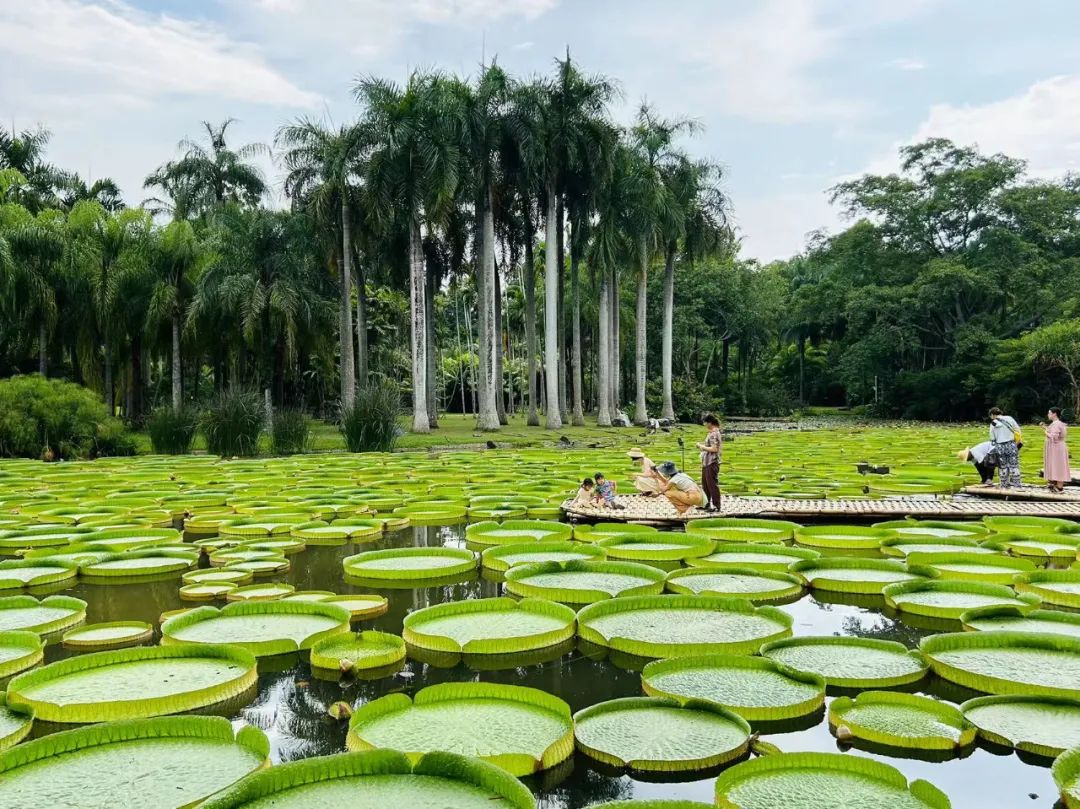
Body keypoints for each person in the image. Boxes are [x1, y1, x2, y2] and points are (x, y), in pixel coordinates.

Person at [989, 406, 1022, 488]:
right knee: (1014, 465)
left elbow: (992, 438)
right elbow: (1018, 430)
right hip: (1011, 444)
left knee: (1002, 466)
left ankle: (1004, 485)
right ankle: (1017, 484)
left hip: (1000, 446)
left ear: (993, 415)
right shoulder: (1010, 418)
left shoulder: (993, 423)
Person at [696, 414, 722, 512]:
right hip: (706, 462)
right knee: (705, 484)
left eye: (705, 423)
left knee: (712, 484)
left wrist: (701, 446)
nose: (704, 425)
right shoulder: (711, 432)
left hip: (712, 462)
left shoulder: (714, 434)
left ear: (710, 423)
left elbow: (714, 449)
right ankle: (706, 504)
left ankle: (716, 505)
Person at [1043, 407, 1070, 493]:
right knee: (1056, 465)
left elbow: (1053, 437)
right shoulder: (1057, 424)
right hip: (1057, 447)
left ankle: (1059, 487)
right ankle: (1055, 484)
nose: (1048, 415)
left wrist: (1045, 432)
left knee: (1058, 466)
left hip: (1056, 448)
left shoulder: (1056, 424)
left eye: (1049, 413)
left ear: (1054, 414)